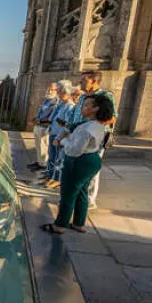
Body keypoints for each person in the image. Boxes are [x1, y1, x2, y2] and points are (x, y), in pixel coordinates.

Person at [41, 93, 115, 234]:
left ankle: (60, 225)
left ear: (96, 109)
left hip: (79, 162)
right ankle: (78, 223)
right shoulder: (98, 126)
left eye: (87, 105)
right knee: (82, 192)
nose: (83, 107)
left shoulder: (86, 128)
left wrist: (61, 141)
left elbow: (75, 150)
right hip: (92, 159)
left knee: (68, 194)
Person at [60, 71, 117, 208]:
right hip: (77, 135)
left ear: (95, 81)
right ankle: (76, 198)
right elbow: (75, 115)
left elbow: (112, 117)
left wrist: (91, 127)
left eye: (84, 80)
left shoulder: (105, 96)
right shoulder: (82, 97)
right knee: (75, 167)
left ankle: (89, 200)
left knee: (89, 170)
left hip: (92, 138)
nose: (80, 83)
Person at [41, 80, 74, 189]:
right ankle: (50, 176)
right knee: (52, 157)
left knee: (59, 159)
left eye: (59, 91)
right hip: (53, 132)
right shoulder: (60, 104)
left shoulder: (70, 106)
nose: (58, 93)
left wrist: (59, 138)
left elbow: (67, 125)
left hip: (59, 136)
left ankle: (57, 179)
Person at [27, 83, 58, 171]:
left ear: (56, 91)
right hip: (38, 126)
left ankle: (43, 164)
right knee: (38, 145)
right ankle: (39, 162)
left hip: (44, 127)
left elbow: (51, 118)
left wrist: (39, 121)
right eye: (48, 88)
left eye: (52, 89)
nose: (49, 91)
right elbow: (40, 113)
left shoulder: (55, 102)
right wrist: (34, 119)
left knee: (43, 146)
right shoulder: (46, 100)